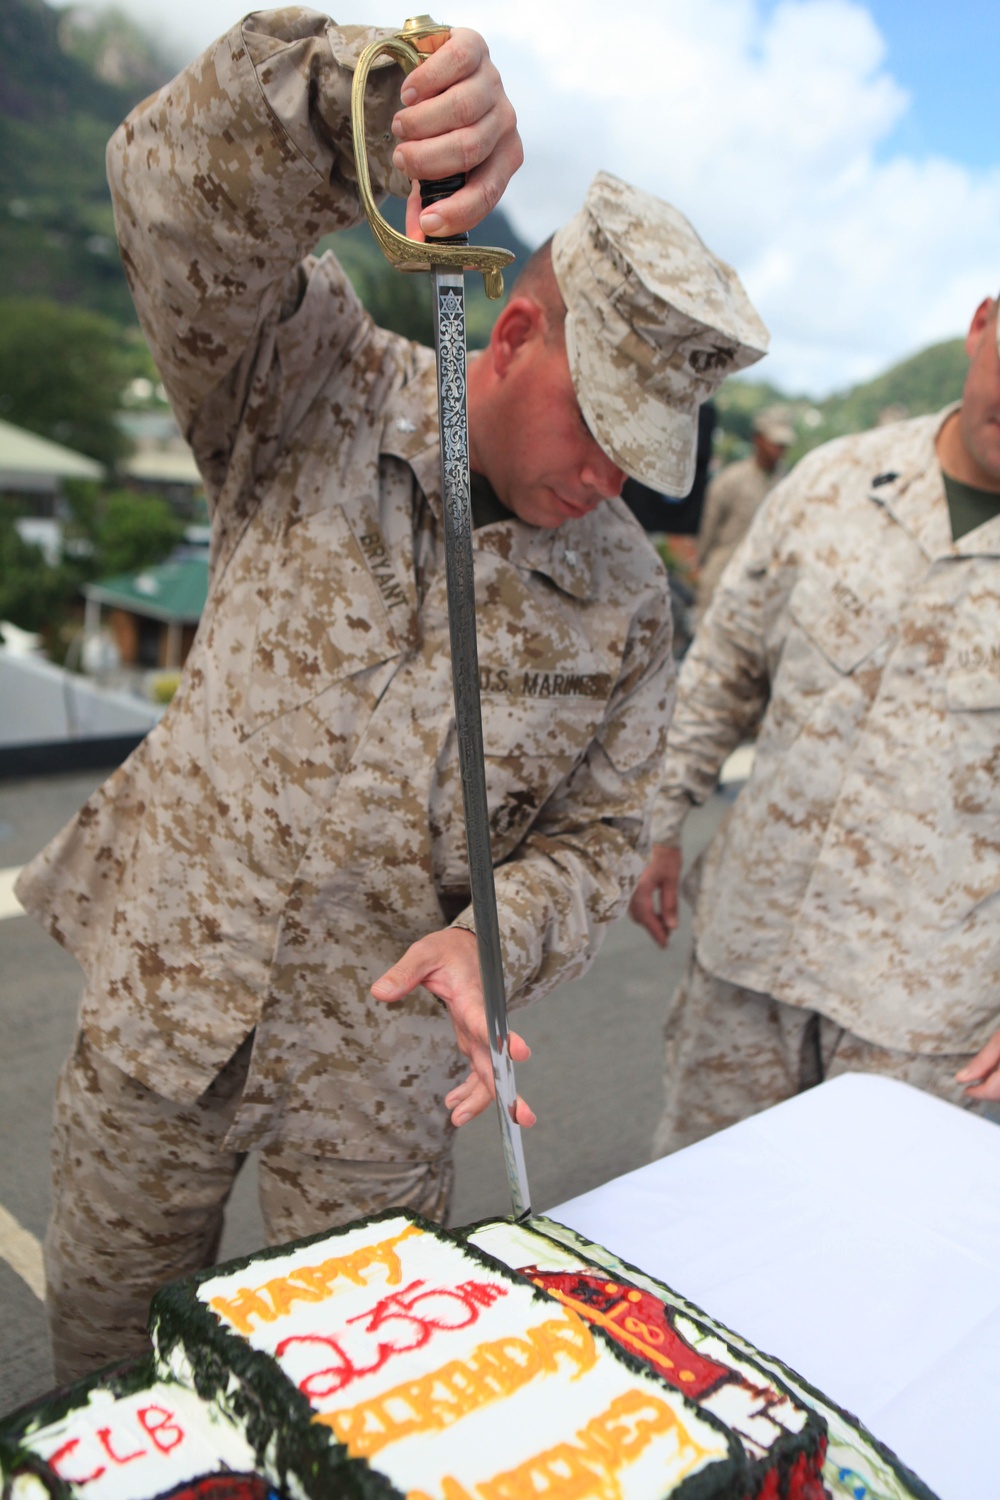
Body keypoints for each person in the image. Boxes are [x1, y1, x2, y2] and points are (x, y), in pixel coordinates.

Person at [15, 11, 770, 1380]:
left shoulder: (625, 599)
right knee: (107, 1382)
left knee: (352, 1390)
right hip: (166, 1012)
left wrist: (501, 938)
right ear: (516, 329)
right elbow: (167, 201)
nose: (616, 479)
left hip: (380, 1076)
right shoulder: (311, 385)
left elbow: (599, 842)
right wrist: (350, 101)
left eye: (652, 454)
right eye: (601, 424)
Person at [630, 294, 1000, 1155]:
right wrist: (660, 819)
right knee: (692, 1232)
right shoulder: (833, 482)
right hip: (749, 967)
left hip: (923, 1014)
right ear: (982, 325)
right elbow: (725, 667)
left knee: (869, 1271)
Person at [692, 404, 795, 624]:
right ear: (758, 439)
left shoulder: (789, 486)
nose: (779, 450)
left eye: (783, 445)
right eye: (774, 443)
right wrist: (702, 563)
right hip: (721, 575)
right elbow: (708, 527)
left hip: (762, 588)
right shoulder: (731, 480)